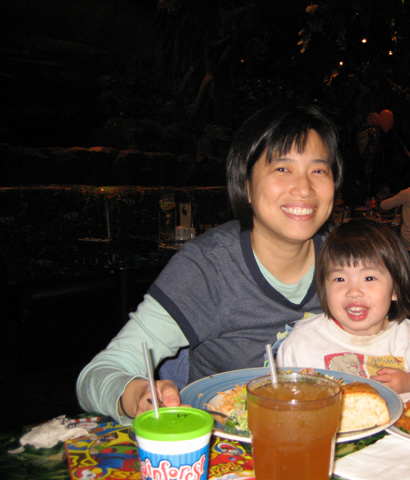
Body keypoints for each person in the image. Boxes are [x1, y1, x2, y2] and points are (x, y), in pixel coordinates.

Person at [76, 104, 344, 424]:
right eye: (282, 168)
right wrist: (135, 395)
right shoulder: (209, 268)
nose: (304, 188)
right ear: (245, 184)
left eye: (318, 170)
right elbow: (99, 374)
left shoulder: (348, 261)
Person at [276, 218, 410, 394]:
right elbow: (280, 396)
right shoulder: (302, 342)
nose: (353, 291)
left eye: (369, 278)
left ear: (395, 289)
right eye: (339, 279)